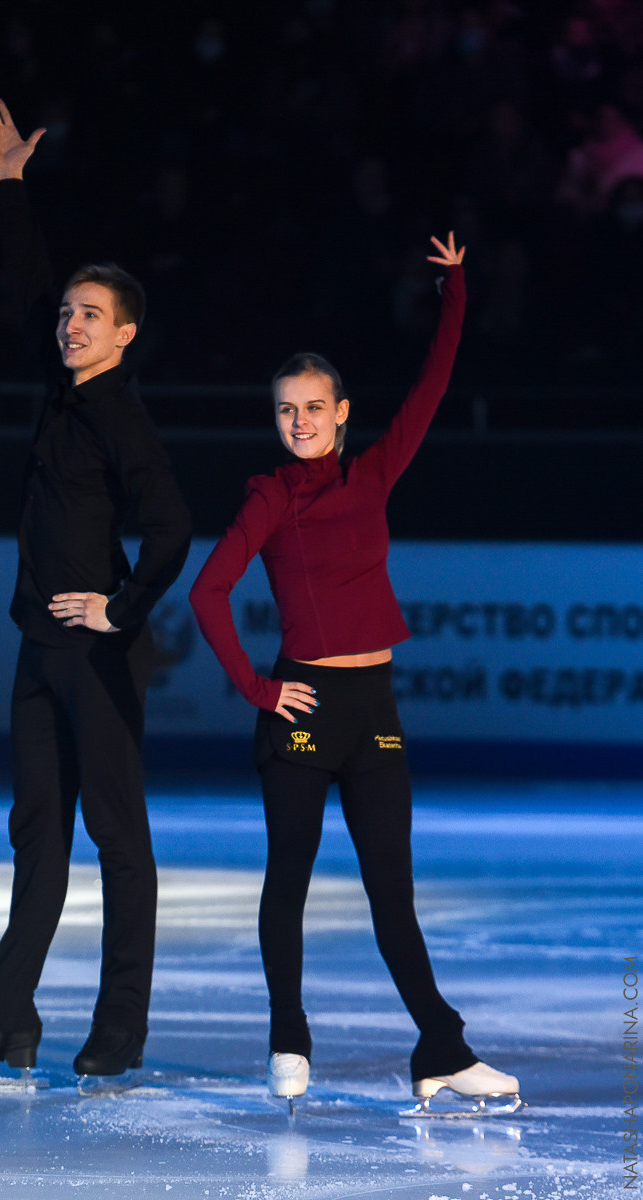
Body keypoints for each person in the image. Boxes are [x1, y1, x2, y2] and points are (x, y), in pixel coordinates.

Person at [189, 233, 521, 1109]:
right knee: (288, 878)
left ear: (341, 412)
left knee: (392, 895)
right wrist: (260, 691)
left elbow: (433, 387)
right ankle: (288, 1035)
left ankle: (440, 1050)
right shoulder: (270, 496)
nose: (298, 422)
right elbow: (208, 591)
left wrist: (455, 291)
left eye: (313, 408)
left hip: (372, 704)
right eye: (285, 410)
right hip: (300, 708)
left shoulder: (372, 475)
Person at [0, 94, 191, 1079]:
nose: (71, 324)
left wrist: (121, 608)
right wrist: (9, 186)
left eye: (90, 317)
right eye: (70, 313)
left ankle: (120, 1026)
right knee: (38, 835)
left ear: (124, 337)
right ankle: (7, 1018)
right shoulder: (58, 383)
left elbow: (172, 526)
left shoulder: (122, 420)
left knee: (118, 837)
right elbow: (27, 281)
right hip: (39, 647)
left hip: (100, 652)